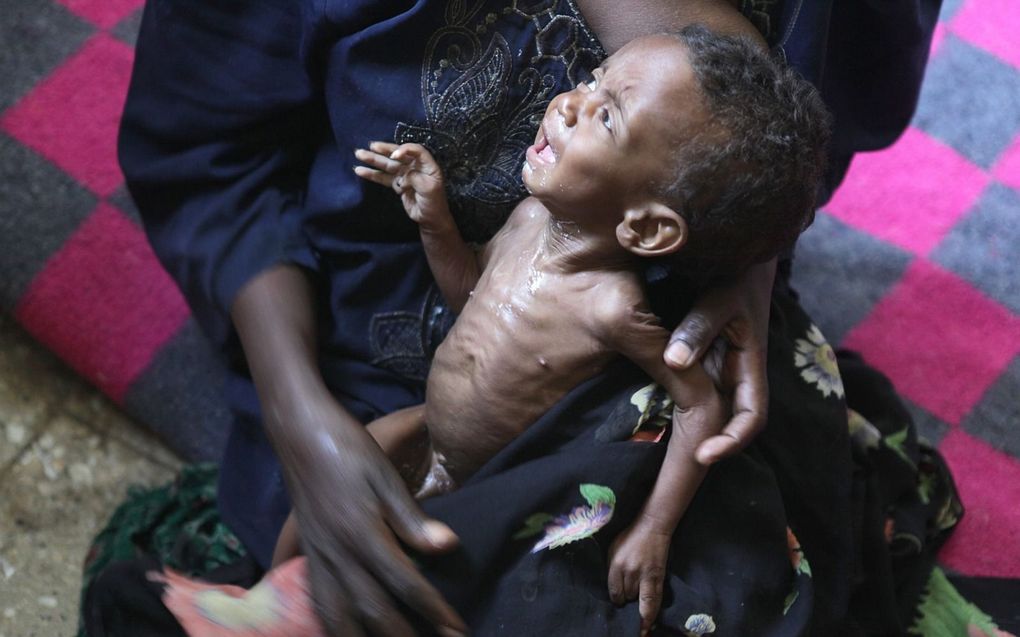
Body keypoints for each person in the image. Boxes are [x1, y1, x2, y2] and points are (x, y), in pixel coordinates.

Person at [83, 1, 975, 636]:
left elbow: (820, 119)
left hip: (633, 376)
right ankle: (280, 595)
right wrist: (300, 417)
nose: (568, 104)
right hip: (364, 355)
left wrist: (752, 250)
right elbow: (208, 155)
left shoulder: (621, 303)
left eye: (606, 108)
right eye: (588, 87)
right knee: (364, 537)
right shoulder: (526, 221)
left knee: (640, 576)